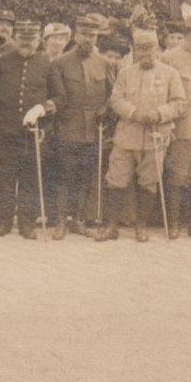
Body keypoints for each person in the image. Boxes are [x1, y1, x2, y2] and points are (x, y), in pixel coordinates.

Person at [102, 28, 185, 242]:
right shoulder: (126, 73)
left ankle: (141, 226)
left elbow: (179, 103)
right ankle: (112, 226)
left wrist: (159, 114)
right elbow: (116, 99)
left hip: (155, 137)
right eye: (140, 51)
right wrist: (133, 112)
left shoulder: (170, 74)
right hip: (126, 135)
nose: (145, 55)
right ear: (135, 51)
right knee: (116, 179)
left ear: (157, 49)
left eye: (149, 50)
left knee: (148, 182)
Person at [0, 21, 56, 238]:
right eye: (23, 40)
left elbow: (59, 98)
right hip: (5, 130)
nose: (26, 44)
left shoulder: (48, 64)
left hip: (34, 133)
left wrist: (42, 108)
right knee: (5, 177)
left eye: (31, 40)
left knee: (30, 178)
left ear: (38, 41)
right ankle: (3, 222)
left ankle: (27, 224)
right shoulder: (2, 62)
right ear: (16, 39)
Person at [48, 15, 113, 238]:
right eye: (84, 34)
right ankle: (60, 222)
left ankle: (77, 219)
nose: (88, 39)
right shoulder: (61, 62)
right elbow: (58, 96)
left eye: (92, 36)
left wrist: (105, 109)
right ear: (76, 35)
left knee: (84, 176)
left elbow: (112, 95)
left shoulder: (105, 63)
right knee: (64, 175)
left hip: (93, 129)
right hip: (67, 127)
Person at [160, 14, 191, 239]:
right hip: (181, 124)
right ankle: (175, 222)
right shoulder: (170, 58)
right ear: (190, 35)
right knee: (177, 174)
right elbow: (163, 92)